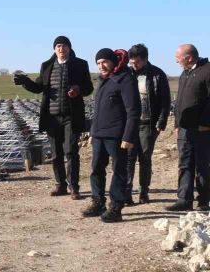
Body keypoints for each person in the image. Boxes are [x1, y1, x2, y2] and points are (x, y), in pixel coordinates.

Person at [13, 36, 93, 199]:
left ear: (69, 48)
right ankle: (60, 185)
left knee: (71, 152)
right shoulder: (47, 66)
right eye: (58, 46)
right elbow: (38, 87)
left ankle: (74, 187)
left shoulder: (80, 64)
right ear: (54, 49)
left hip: (71, 116)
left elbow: (88, 88)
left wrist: (78, 89)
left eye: (64, 46)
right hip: (52, 117)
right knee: (56, 154)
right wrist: (25, 81)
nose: (61, 49)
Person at [82, 48, 140, 222]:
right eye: (98, 63)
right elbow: (98, 110)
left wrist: (128, 136)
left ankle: (116, 207)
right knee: (96, 169)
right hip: (99, 134)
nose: (101, 66)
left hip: (117, 135)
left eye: (104, 62)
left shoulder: (125, 79)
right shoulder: (103, 80)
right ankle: (98, 202)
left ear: (113, 62)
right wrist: (92, 132)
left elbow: (133, 110)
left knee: (119, 171)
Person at [167, 44, 210, 212]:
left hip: (202, 130)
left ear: (189, 57)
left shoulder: (207, 71)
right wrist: (177, 123)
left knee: (202, 165)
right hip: (184, 129)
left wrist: (206, 123)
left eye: (178, 57)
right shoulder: (185, 73)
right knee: (184, 164)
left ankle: (204, 201)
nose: (176, 60)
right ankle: (184, 199)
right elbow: (180, 101)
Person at [126, 44, 171, 205]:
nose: (134, 65)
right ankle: (126, 192)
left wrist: (161, 121)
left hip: (148, 124)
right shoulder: (126, 74)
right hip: (129, 124)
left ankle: (143, 191)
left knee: (145, 158)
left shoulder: (157, 74)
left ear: (145, 59)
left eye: (137, 62)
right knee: (129, 158)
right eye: (131, 62)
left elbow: (165, 100)